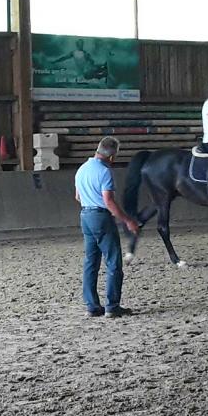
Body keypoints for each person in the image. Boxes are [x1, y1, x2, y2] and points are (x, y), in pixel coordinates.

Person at [74, 136, 140, 318]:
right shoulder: (104, 172)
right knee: (113, 261)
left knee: (90, 262)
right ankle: (112, 306)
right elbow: (108, 201)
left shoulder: (82, 169)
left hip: (85, 215)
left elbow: (78, 197)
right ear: (112, 156)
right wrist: (127, 220)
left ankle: (92, 306)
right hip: (101, 217)